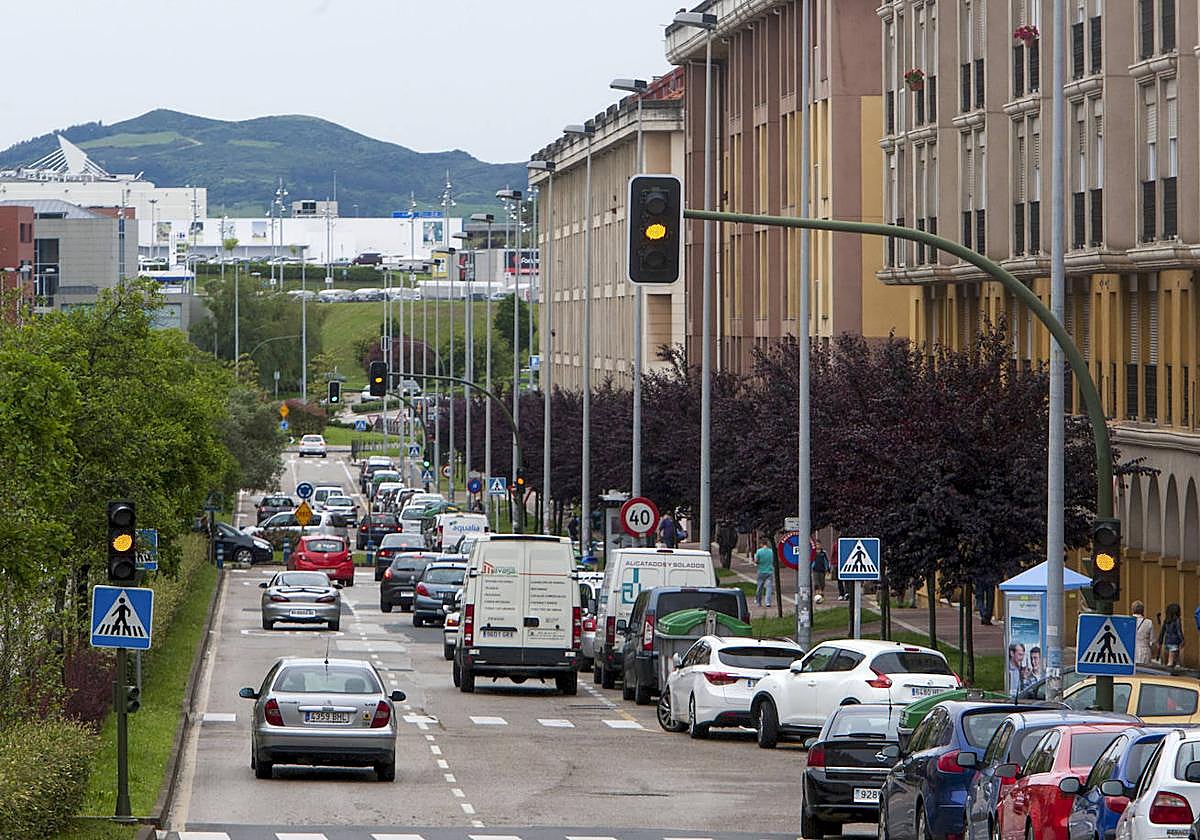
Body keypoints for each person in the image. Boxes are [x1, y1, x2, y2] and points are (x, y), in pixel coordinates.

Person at [1160, 602, 1184, 668]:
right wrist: (1182, 640)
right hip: (1174, 642)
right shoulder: (1177, 620)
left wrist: (1160, 641)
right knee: (1171, 662)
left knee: (1170, 660)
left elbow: (1162, 631)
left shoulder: (1166, 620)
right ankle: (1170, 675)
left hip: (1167, 641)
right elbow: (1179, 631)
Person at [754, 536, 776, 608]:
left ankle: (758, 602)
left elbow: (756, 561)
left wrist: (758, 562)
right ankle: (768, 602)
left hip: (761, 571)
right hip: (769, 571)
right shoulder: (771, 551)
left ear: (761, 544)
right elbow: (773, 561)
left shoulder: (759, 551)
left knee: (759, 587)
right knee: (769, 587)